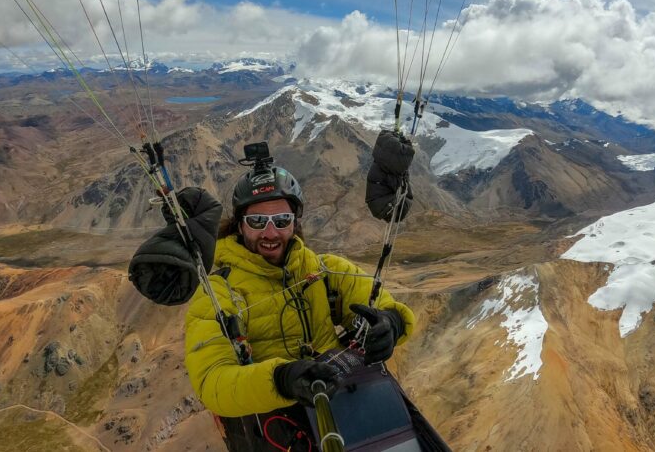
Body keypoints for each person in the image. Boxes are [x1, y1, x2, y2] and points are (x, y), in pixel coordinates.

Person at [129, 134, 447, 451]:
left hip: (349, 407)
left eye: (282, 220)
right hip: (279, 426)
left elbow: (386, 306)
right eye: (257, 221)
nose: (271, 232)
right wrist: (281, 379)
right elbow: (212, 383)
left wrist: (390, 324)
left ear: (295, 223)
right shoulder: (219, 292)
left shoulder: (326, 270)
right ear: (239, 225)